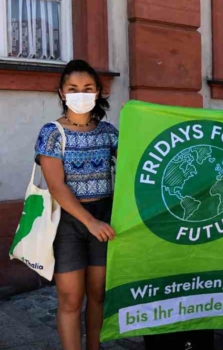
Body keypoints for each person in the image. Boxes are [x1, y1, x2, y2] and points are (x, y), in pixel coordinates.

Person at [35, 60, 117, 350]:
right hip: (68, 223)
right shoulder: (52, 133)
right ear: (61, 92)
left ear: (97, 92)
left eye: (87, 88)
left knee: (98, 294)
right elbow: (57, 186)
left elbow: (136, 163)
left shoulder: (108, 132)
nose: (80, 94)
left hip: (104, 218)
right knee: (71, 299)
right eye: (73, 88)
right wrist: (90, 222)